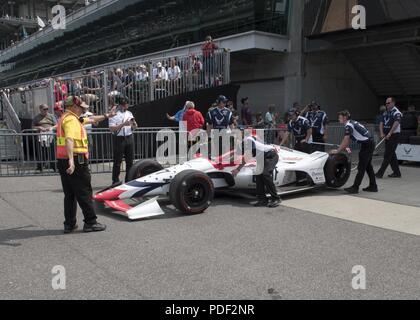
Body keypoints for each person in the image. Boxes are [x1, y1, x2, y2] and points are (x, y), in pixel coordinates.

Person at [56, 96, 116, 233]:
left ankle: (69, 224)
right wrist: (72, 161)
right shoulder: (71, 120)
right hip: (77, 160)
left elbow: (92, 119)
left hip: (63, 160)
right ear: (74, 107)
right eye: (81, 107)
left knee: (70, 194)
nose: (83, 110)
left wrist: (107, 115)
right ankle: (90, 222)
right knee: (84, 192)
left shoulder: (67, 118)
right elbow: (69, 139)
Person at [232, 131, 281, 208]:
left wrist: (238, 169)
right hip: (261, 159)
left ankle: (276, 198)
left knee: (265, 174)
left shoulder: (248, 139)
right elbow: (244, 157)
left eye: (236, 135)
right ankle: (263, 200)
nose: (235, 137)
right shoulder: (242, 144)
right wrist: (237, 169)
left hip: (270, 155)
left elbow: (249, 154)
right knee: (258, 176)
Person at [332, 111, 378, 194]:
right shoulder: (351, 122)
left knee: (361, 167)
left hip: (367, 145)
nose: (338, 119)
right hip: (368, 143)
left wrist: (337, 151)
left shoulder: (348, 125)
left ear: (345, 117)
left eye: (340, 117)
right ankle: (373, 186)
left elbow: (346, 140)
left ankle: (355, 187)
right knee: (368, 167)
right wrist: (343, 147)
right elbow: (347, 140)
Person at [109, 96, 138, 185]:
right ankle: (115, 181)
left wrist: (134, 125)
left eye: (127, 104)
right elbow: (112, 129)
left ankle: (128, 180)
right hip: (119, 138)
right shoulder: (114, 114)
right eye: (125, 105)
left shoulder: (129, 113)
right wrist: (123, 124)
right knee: (117, 161)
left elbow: (134, 124)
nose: (127, 106)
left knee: (130, 161)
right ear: (121, 105)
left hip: (129, 137)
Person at [280, 108, 312, 185]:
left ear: (296, 114)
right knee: (297, 160)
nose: (291, 117)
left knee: (306, 160)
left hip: (306, 142)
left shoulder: (304, 120)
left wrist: (306, 139)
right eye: (290, 115)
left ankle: (307, 178)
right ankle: (299, 179)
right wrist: (281, 144)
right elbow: (287, 134)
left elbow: (310, 130)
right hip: (298, 142)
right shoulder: (291, 123)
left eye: (292, 115)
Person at [376, 97, 403, 179]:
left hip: (394, 135)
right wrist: (381, 133)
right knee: (392, 155)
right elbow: (381, 122)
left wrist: (390, 133)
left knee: (387, 155)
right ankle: (397, 173)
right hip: (386, 135)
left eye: (388, 103)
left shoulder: (397, 112)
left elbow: (396, 122)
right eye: (386, 103)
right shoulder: (386, 112)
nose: (387, 104)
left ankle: (379, 173)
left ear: (393, 103)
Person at [32, 104, 57, 172]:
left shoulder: (51, 116)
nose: (46, 110)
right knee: (41, 151)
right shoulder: (36, 117)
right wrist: (39, 127)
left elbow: (57, 125)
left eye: (47, 109)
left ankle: (54, 166)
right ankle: (40, 167)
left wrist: (51, 128)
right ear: (40, 109)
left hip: (50, 134)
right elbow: (32, 127)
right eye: (44, 109)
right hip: (41, 135)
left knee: (52, 151)